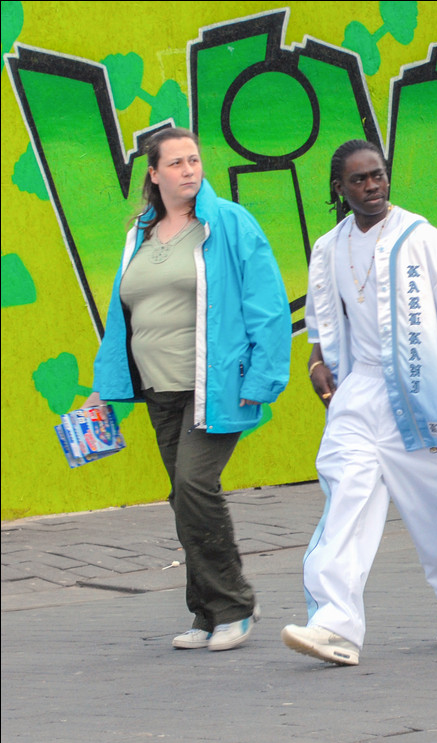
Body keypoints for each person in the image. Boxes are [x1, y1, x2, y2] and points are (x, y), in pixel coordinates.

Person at [282, 140, 437, 666]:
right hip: (358, 396)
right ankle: (333, 625)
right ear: (340, 188)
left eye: (378, 175)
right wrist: (316, 365)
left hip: (422, 395)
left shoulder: (420, 238)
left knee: (435, 513)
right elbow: (323, 322)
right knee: (346, 502)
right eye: (359, 180)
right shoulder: (328, 249)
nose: (372, 186)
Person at [87, 126, 292, 650]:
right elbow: (122, 314)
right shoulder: (140, 234)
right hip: (159, 388)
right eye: (175, 163)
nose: (188, 170)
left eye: (193, 160)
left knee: (197, 486)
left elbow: (266, 302)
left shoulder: (227, 224)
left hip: (216, 386)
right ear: (153, 174)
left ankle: (236, 606)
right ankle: (205, 613)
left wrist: (264, 377)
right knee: (184, 497)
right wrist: (103, 386)